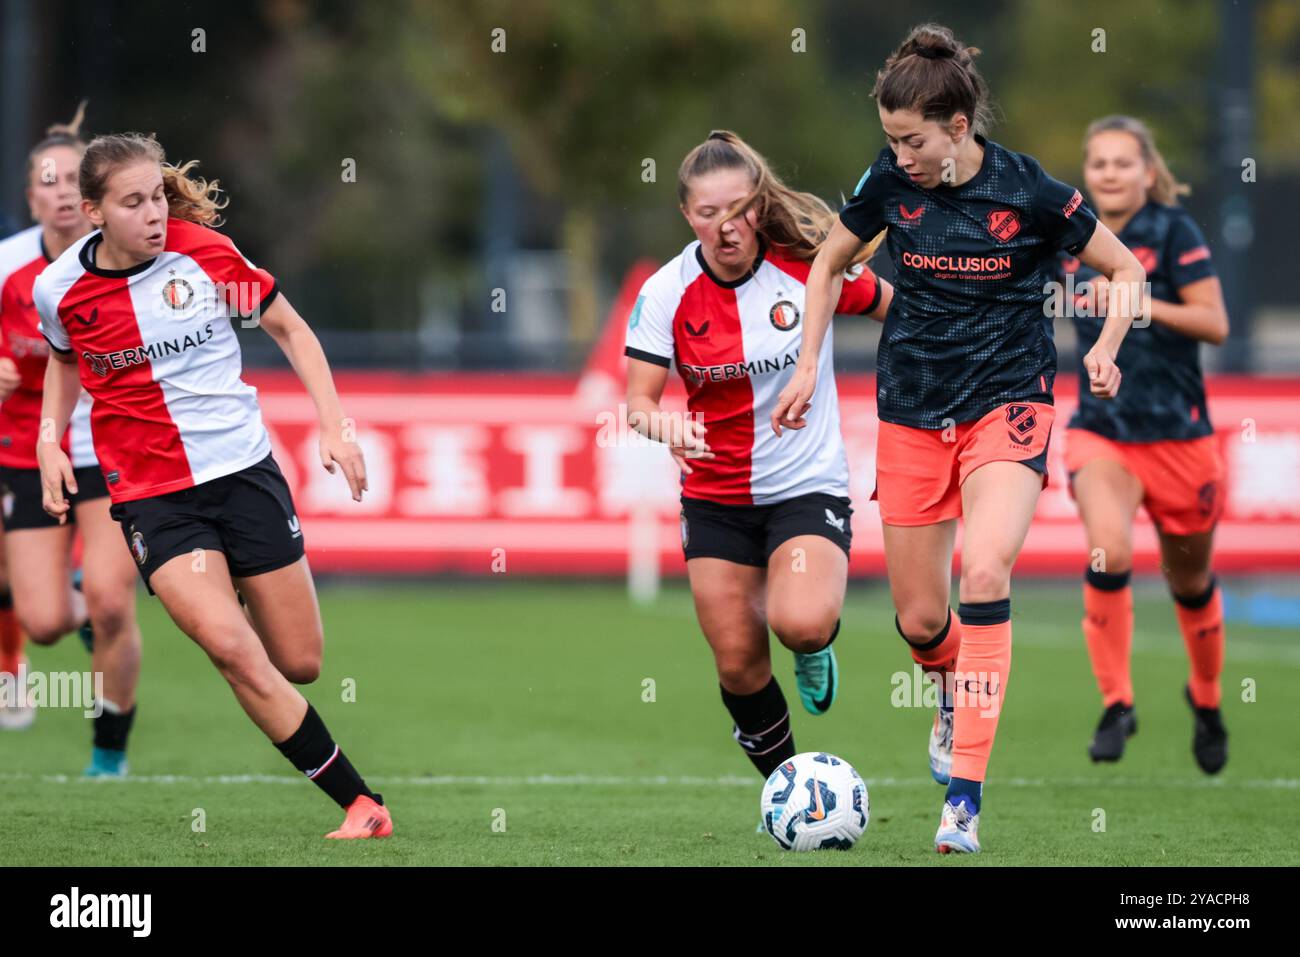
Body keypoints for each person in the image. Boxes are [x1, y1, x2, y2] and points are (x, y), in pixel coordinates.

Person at [771, 23, 1145, 853]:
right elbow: (830, 263)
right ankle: (950, 686)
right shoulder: (887, 184)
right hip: (911, 409)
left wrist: (1109, 347)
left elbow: (1127, 271)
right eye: (891, 139)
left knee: (985, 568)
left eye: (913, 140)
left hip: (1007, 405)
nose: (899, 154)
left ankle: (964, 801)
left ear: (959, 128)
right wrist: (805, 368)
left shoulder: (1031, 192)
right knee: (918, 619)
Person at [34, 131, 391, 838]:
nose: (154, 214)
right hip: (152, 498)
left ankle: (230, 591)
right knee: (233, 650)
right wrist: (51, 440)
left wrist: (335, 425)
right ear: (93, 210)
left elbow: (290, 329)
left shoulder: (206, 255)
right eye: (132, 203)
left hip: (243, 474)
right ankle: (362, 802)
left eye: (157, 197)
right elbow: (63, 362)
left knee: (300, 660)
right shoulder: (61, 289)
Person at [624, 130, 891, 786]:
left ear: (760, 203)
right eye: (709, 213)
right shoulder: (666, 293)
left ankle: (814, 647)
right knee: (739, 663)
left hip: (806, 484)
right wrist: (669, 429)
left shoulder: (810, 267)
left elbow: (896, 309)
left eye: (740, 208)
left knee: (799, 624)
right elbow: (638, 403)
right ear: (688, 216)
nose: (727, 226)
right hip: (716, 495)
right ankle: (790, 789)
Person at [1063, 115, 1229, 773]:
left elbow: (1214, 323)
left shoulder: (1173, 232)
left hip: (1181, 438)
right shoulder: (1068, 236)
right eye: (1098, 162)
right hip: (1103, 432)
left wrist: (1137, 299)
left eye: (1122, 162)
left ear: (1149, 172)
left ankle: (1208, 699)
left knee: (1189, 579)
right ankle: (1116, 701)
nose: (1109, 173)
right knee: (1110, 550)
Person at [0, 103, 142, 771]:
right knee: (49, 622)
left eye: (70, 180)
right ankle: (76, 605)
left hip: (114, 453)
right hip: (31, 453)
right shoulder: (10, 268)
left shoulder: (136, 259)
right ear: (30, 196)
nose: (59, 191)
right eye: (46, 181)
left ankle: (108, 757)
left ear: (93, 194)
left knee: (115, 604)